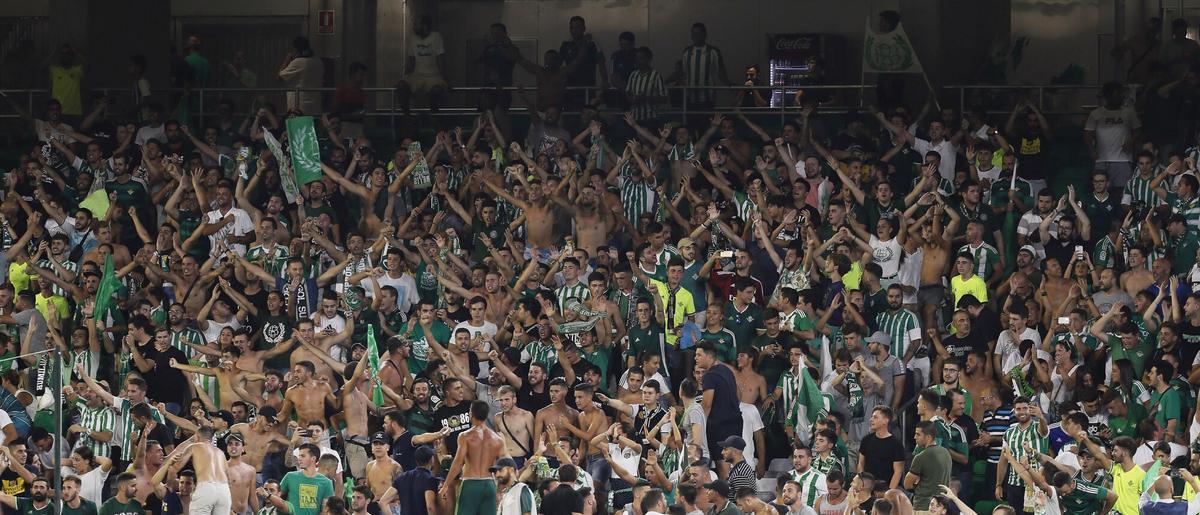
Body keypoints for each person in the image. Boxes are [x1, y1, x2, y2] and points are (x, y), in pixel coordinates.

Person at [441, 401, 504, 515]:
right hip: (489, 484)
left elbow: (458, 463)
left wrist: (446, 485)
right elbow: (503, 466)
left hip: (470, 484)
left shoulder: (465, 436)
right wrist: (499, 490)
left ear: (471, 413)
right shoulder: (497, 439)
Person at [172, 427, 232, 515]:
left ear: (197, 437)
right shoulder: (220, 452)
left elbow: (176, 467)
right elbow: (229, 478)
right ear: (211, 439)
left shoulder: (194, 446)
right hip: (224, 490)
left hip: (206, 487)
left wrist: (171, 464)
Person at [904, 421, 950, 512]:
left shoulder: (921, 457)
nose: (915, 437)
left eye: (918, 434)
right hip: (941, 508)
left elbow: (907, 484)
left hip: (923, 507)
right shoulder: (946, 453)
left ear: (928, 437)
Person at [278, 37, 324, 115]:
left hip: (299, 105)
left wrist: (287, 59)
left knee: (298, 123)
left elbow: (280, 77)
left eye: (292, 50)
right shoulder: (318, 61)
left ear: (296, 49)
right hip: (315, 103)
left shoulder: (299, 62)